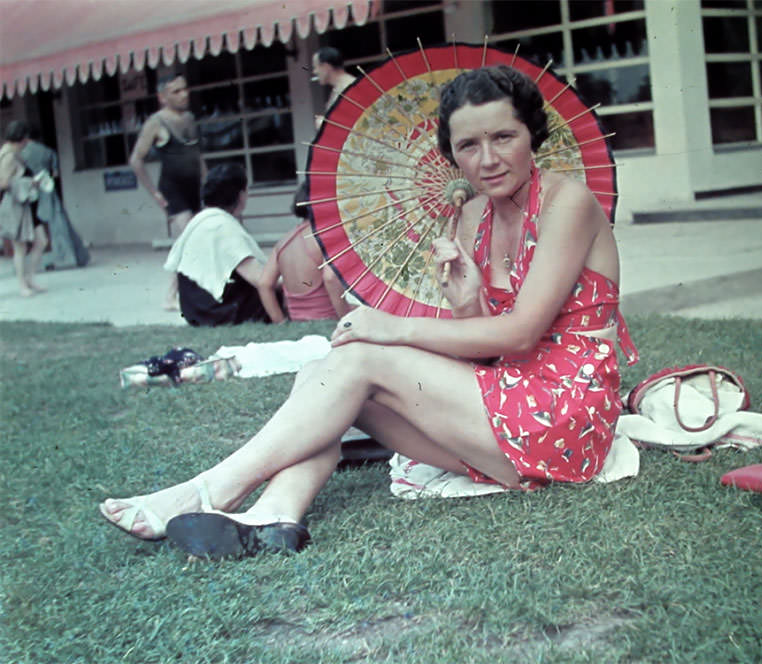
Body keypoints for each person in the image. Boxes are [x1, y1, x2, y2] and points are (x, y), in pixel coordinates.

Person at [99, 65, 638, 559]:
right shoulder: (473, 217)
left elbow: (521, 335)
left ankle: (208, 490)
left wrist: (393, 325)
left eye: (504, 136)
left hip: (565, 416)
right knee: (323, 374)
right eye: (468, 145)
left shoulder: (567, 202)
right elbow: (491, 349)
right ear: (451, 154)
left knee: (360, 362)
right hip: (506, 412)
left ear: (532, 135)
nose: (488, 159)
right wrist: (466, 302)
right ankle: (276, 514)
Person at [163, 163, 274, 327]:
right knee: (278, 292)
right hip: (218, 312)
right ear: (241, 195)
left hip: (196, 310)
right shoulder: (222, 225)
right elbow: (259, 278)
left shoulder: (200, 221)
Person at [128, 73, 204, 309]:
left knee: (192, 239)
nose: (184, 95)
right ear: (162, 97)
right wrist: (154, 193)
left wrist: (208, 181)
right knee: (189, 238)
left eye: (185, 89)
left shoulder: (189, 118)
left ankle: (187, 292)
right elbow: (136, 160)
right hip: (173, 189)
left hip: (194, 187)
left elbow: (196, 153)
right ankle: (170, 295)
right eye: (176, 92)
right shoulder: (156, 122)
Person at [257, 180, 354, 322]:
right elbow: (330, 277)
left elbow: (264, 284)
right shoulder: (327, 235)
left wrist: (280, 321)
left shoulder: (283, 242)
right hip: (328, 316)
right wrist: (345, 318)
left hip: (296, 319)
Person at [20, 127, 90, 270]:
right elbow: (55, 173)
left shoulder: (22, 153)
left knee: (31, 225)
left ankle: (35, 262)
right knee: (58, 223)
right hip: (47, 189)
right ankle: (68, 256)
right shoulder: (48, 151)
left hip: (30, 189)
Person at [0, 120, 47, 296]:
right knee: (20, 247)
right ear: (19, 139)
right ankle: (22, 285)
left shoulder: (14, 153)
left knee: (41, 241)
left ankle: (30, 278)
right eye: (25, 139)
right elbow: (3, 183)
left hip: (27, 205)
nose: (26, 143)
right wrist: (29, 183)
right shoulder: (8, 156)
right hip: (17, 207)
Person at [311, 46, 356, 131]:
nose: (315, 72)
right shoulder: (339, 87)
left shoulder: (348, 87)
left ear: (326, 67)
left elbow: (352, 124)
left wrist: (325, 125)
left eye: (316, 67)